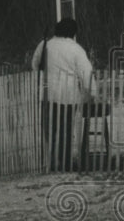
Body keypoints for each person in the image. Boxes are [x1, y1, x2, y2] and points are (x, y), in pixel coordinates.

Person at [32, 18, 97, 171]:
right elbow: (85, 72)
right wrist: (92, 92)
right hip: (68, 96)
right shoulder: (76, 49)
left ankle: (49, 163)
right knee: (66, 131)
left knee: (49, 130)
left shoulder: (45, 44)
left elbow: (35, 65)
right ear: (74, 33)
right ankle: (65, 163)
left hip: (47, 95)